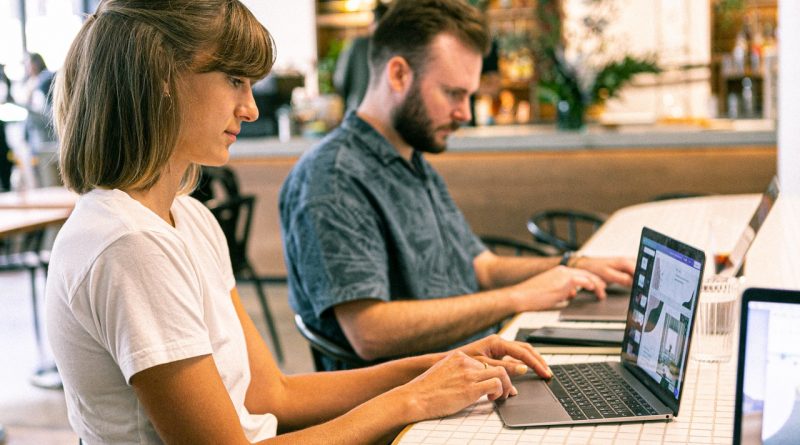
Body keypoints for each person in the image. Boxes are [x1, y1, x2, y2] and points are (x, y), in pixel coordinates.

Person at [45, 1, 552, 443]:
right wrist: (411, 401)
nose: (248, 108)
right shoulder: (128, 244)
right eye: (235, 80)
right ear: (160, 77)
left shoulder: (188, 217)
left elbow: (275, 395)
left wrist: (442, 364)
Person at [280, 0, 635, 371]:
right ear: (399, 74)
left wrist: (573, 265)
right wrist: (516, 298)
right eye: (453, 94)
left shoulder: (412, 160)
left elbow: (480, 267)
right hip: (406, 403)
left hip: (470, 366)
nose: (465, 113)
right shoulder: (333, 178)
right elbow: (370, 333)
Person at [332, 2, 388, 114]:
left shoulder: (357, 45)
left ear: (372, 23)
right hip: (386, 115)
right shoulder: (396, 46)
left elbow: (340, 80)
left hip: (358, 111)